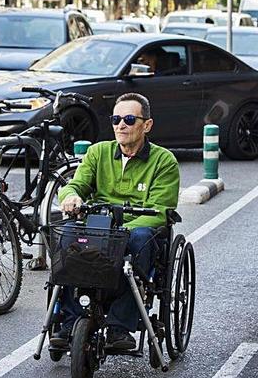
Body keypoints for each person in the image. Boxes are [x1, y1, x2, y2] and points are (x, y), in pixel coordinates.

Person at [53, 93, 180, 351]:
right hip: (99, 226)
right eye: (116, 119)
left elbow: (159, 211)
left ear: (147, 125)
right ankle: (69, 320)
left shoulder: (164, 161)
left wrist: (122, 231)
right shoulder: (97, 152)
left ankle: (119, 326)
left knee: (141, 240)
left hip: (135, 229)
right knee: (67, 235)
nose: (121, 125)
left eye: (130, 119)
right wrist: (71, 196)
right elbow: (75, 184)